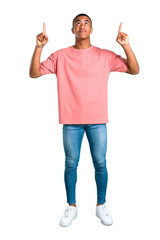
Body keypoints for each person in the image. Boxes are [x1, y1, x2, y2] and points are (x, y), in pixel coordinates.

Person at [29, 13, 139, 227]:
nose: (82, 25)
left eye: (86, 22)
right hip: (71, 122)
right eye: (77, 23)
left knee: (100, 163)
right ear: (72, 30)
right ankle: (71, 207)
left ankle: (101, 205)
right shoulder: (60, 56)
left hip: (97, 121)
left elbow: (134, 70)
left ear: (91, 29)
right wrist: (38, 47)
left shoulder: (105, 55)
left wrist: (126, 45)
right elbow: (34, 73)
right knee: (71, 164)